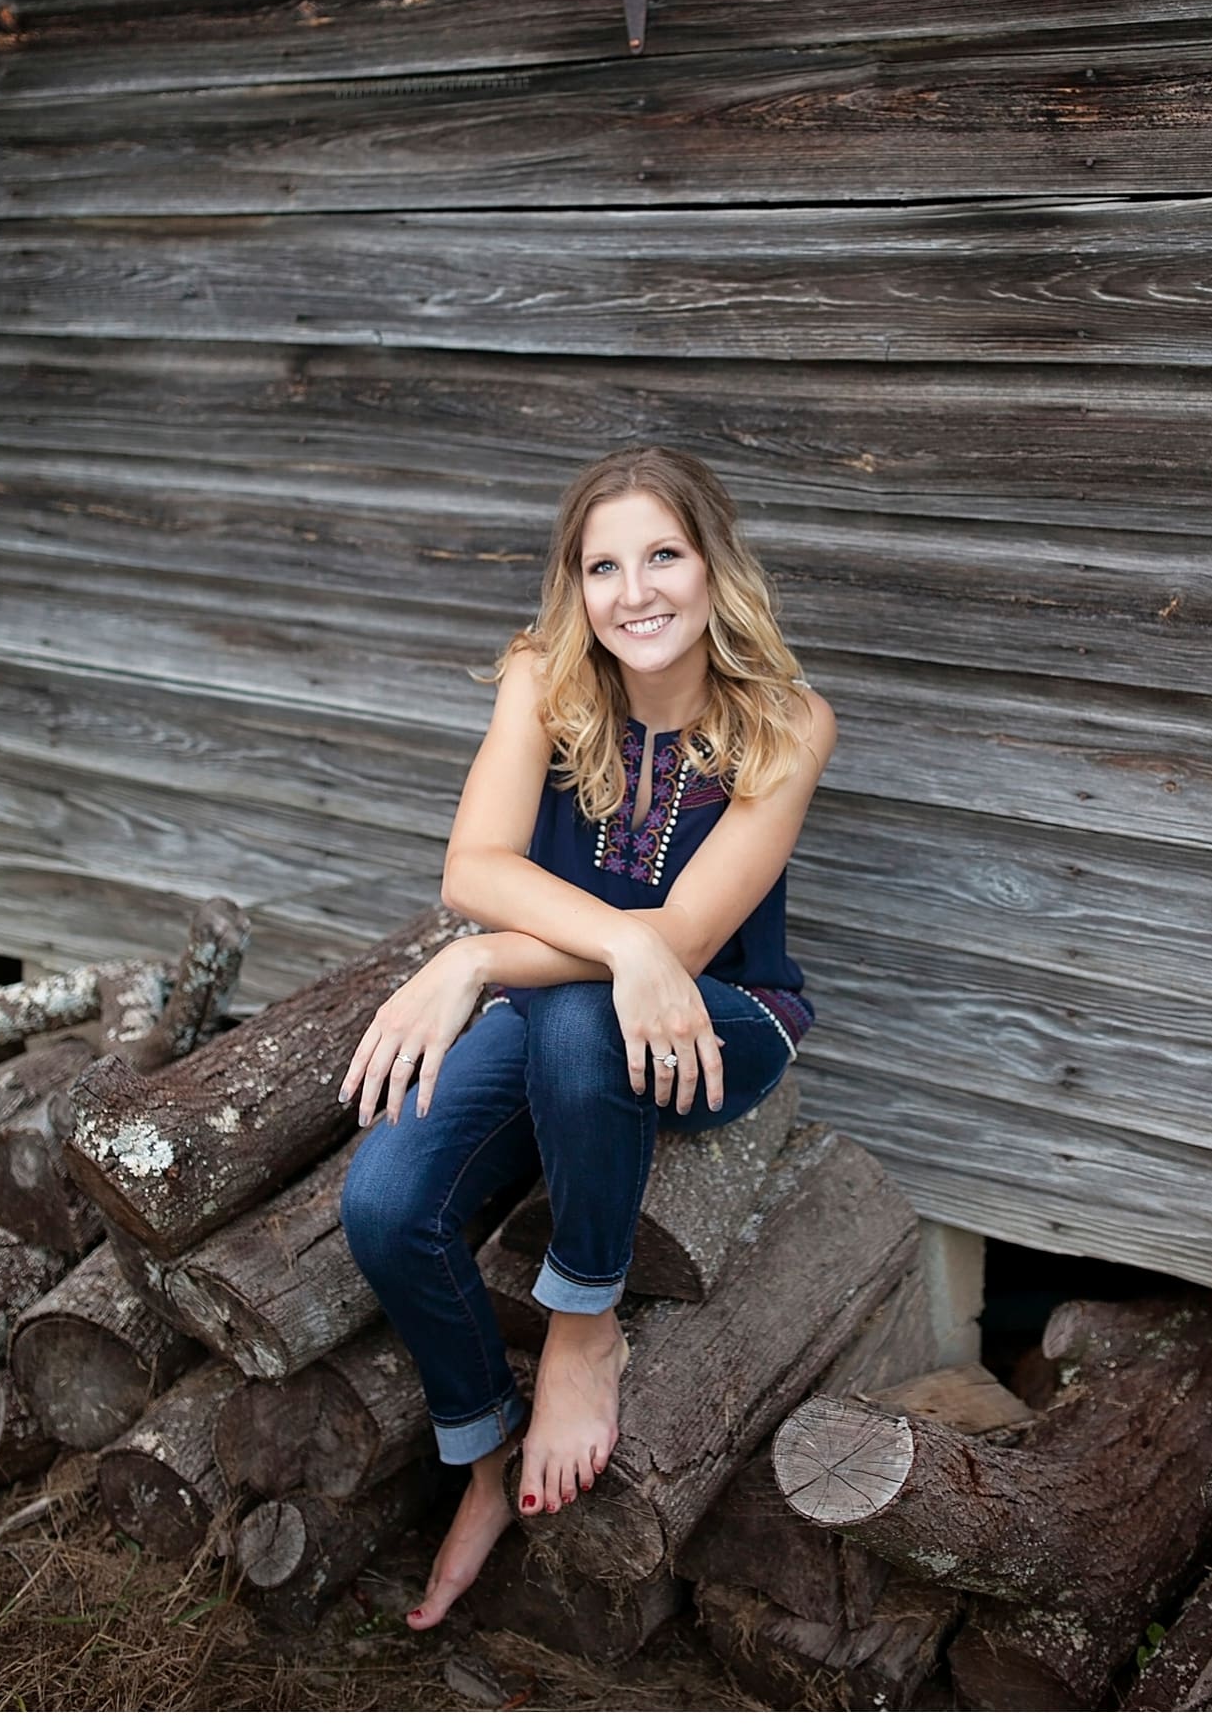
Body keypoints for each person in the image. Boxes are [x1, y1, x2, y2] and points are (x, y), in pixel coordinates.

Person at [334, 445, 835, 1632]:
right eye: (604, 565)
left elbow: (689, 942)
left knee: (572, 1013)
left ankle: (582, 1327)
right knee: (386, 1206)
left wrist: (477, 958)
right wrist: (563, 943)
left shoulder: (788, 723)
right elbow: (475, 865)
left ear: (714, 567)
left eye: (663, 553)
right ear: (576, 586)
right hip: (575, 1020)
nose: (636, 590)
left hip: (725, 1023)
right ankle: (485, 1462)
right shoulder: (543, 680)